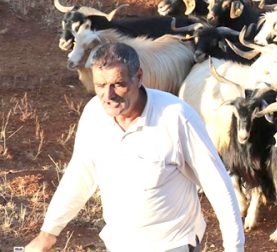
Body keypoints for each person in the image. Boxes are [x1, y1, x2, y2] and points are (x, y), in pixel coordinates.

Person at [24, 42, 245, 252]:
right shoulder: (94, 114)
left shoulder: (176, 117)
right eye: (100, 85)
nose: (108, 96)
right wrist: (48, 233)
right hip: (119, 243)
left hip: (171, 244)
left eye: (118, 85)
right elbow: (81, 174)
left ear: (138, 77)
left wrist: (234, 248)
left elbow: (218, 185)